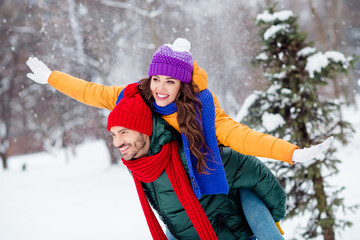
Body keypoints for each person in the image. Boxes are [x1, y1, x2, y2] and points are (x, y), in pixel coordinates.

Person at [25, 37, 333, 197]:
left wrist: (292, 153)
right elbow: (92, 92)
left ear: (182, 85)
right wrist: (52, 77)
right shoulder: (136, 97)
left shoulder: (203, 109)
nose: (160, 88)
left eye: (170, 82)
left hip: (223, 182)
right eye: (156, 78)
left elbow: (245, 137)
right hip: (175, 190)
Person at [106, 83, 286, 240]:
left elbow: (250, 168)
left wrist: (272, 217)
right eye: (113, 134)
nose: (117, 142)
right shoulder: (138, 166)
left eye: (124, 132)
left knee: (245, 190)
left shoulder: (188, 155)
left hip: (231, 234)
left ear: (143, 129)